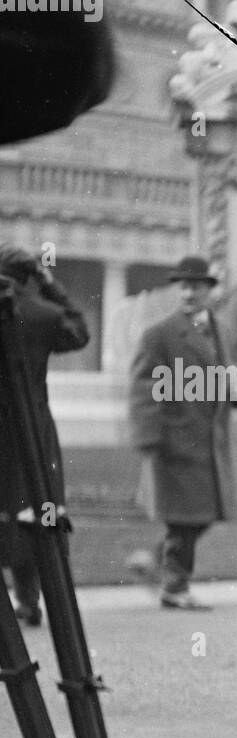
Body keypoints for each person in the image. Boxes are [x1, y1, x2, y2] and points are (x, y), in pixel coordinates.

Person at [126, 255, 237, 610]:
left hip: (208, 441)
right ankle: (174, 586)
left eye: (196, 286)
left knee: (202, 515)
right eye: (184, 286)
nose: (189, 293)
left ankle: (155, 564)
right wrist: (149, 438)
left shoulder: (221, 330)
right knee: (186, 517)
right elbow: (143, 389)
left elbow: (223, 375)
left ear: (209, 290)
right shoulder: (159, 334)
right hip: (175, 440)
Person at [0, 246, 90, 626]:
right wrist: (51, 285)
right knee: (37, 507)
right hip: (31, 426)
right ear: (29, 276)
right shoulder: (44, 314)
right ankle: (29, 600)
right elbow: (79, 331)